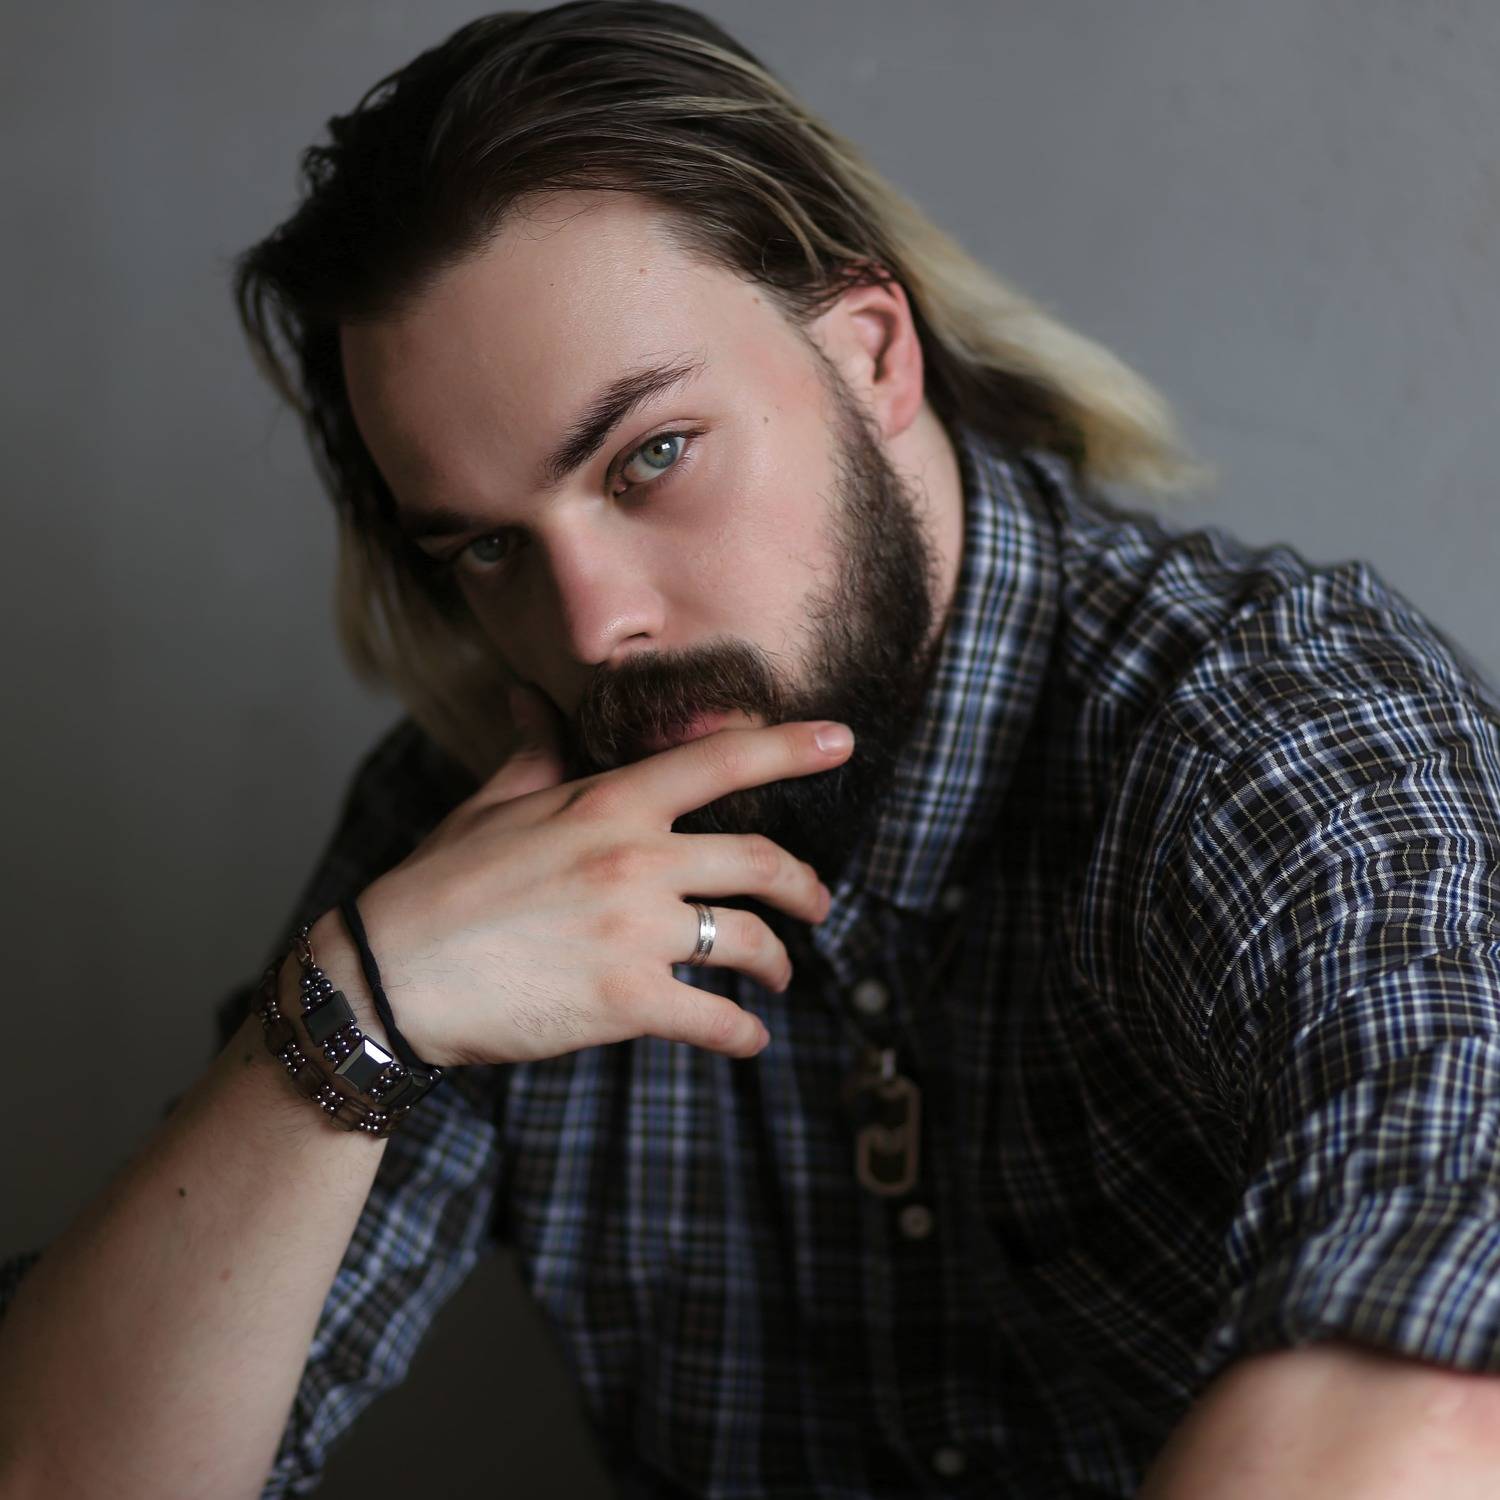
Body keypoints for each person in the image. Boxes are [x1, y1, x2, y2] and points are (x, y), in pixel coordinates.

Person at [3, 2, 1500, 1495]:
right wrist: (353, 1014)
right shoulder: (482, 836)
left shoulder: (1270, 728)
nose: (594, 628)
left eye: (649, 456)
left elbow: (1433, 1377)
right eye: (486, 548)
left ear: (872, 357)